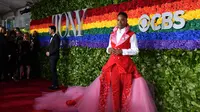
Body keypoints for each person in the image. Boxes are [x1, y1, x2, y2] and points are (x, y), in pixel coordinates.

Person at [34, 12, 156, 112]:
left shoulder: (132, 35)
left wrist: (122, 52)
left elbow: (135, 50)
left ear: (126, 21)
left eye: (122, 20)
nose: (119, 22)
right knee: (114, 90)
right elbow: (108, 48)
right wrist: (110, 50)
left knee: (126, 90)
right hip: (112, 65)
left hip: (125, 66)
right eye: (118, 20)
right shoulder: (112, 34)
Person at [46, 26, 60, 90]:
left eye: (49, 29)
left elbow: (56, 48)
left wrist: (50, 53)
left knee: (53, 70)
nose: (48, 30)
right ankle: (54, 84)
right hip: (52, 56)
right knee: (52, 70)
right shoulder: (52, 37)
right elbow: (51, 47)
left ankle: (55, 85)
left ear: (52, 30)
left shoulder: (56, 37)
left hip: (54, 56)